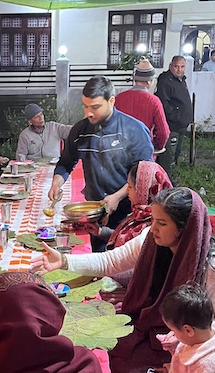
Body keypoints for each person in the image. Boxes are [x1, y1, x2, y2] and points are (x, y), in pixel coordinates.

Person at [33, 187, 215, 373]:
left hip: (186, 351)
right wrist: (64, 262)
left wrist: (187, 333)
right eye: (153, 220)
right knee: (96, 356)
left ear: (184, 229)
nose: (153, 229)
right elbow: (110, 262)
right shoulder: (150, 241)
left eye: (162, 223)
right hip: (148, 328)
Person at [47, 75, 154, 251]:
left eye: (95, 107)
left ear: (111, 101)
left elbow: (143, 176)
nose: (88, 112)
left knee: (121, 264)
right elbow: (66, 162)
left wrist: (117, 197)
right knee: (96, 257)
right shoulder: (80, 130)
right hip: (94, 211)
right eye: (85, 106)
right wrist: (56, 182)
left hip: (127, 212)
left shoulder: (133, 130)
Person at [86, 161, 172, 254]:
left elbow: (121, 259)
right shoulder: (140, 214)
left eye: (130, 187)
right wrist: (100, 232)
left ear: (142, 190)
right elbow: (125, 241)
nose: (127, 191)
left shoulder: (151, 228)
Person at [114, 59, 170, 153]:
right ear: (149, 81)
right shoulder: (154, 101)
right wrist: (156, 146)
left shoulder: (118, 98)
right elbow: (163, 133)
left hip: (120, 152)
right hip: (144, 151)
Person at [155, 56, 193, 176]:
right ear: (171, 66)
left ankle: (170, 178)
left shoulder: (181, 80)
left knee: (176, 153)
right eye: (176, 66)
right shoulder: (166, 81)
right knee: (168, 156)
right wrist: (176, 115)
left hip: (181, 125)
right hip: (172, 126)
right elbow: (163, 103)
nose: (179, 69)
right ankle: (165, 181)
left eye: (182, 67)